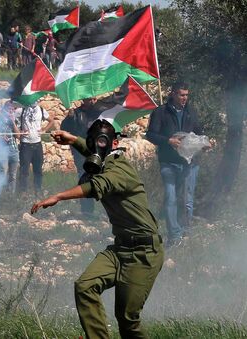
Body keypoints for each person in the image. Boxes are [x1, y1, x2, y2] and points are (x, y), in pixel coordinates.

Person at [31, 120, 164, 338]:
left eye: (103, 142)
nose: (97, 147)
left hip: (144, 253)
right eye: (94, 142)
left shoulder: (120, 168)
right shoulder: (103, 158)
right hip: (119, 249)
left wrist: (58, 196)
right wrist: (73, 140)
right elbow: (95, 150)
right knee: (85, 286)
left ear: (115, 143)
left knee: (127, 320)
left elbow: (98, 185)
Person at [145, 81, 203, 246]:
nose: (184, 98)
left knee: (186, 199)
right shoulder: (161, 112)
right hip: (169, 162)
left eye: (186, 95)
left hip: (189, 162)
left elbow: (199, 132)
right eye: (181, 95)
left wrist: (204, 143)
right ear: (173, 94)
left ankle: (185, 232)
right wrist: (168, 141)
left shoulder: (191, 112)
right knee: (171, 197)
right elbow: (150, 135)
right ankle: (174, 235)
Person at [60, 97, 101, 217]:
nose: (93, 101)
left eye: (94, 99)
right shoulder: (76, 113)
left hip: (96, 150)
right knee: (85, 178)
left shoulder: (97, 113)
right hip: (81, 151)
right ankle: (87, 210)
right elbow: (65, 129)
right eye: (90, 99)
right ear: (84, 100)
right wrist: (70, 118)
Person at [15, 101, 55, 195]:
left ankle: (38, 190)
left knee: (38, 169)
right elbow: (11, 119)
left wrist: (44, 130)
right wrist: (20, 130)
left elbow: (52, 121)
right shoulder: (22, 109)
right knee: (24, 170)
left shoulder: (41, 110)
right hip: (25, 144)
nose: (34, 101)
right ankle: (23, 192)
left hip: (37, 144)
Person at [0, 100, 21, 193]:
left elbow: (18, 136)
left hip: (13, 150)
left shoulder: (15, 120)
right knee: (2, 172)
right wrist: (0, 137)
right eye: (9, 108)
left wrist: (13, 122)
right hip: (2, 150)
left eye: (13, 108)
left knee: (12, 174)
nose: (11, 110)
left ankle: (10, 194)